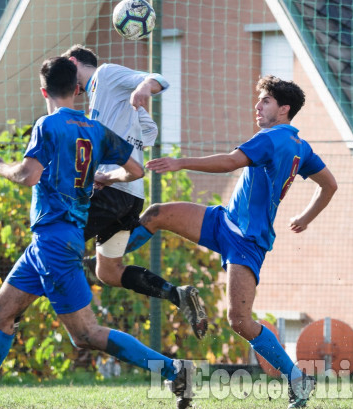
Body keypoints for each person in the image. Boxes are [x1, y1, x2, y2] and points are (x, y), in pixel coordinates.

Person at [0, 57, 194, 409]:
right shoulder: (95, 129)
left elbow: (27, 175)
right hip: (52, 239)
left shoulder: (48, 125)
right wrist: (106, 177)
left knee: (86, 334)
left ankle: (174, 370)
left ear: (44, 90)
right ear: (77, 89)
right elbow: (135, 170)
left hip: (55, 240)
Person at [0, 44, 207, 340]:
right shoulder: (98, 103)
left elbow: (158, 78)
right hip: (127, 192)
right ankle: (178, 295)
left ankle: (5, 315)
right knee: (108, 272)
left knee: (53, 247)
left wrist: (144, 86)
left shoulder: (104, 75)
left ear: (72, 61)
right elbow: (148, 133)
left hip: (114, 192)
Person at [123, 75, 338, 408]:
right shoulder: (300, 145)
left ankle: (297, 379)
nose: (257, 105)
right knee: (157, 214)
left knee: (239, 321)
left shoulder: (272, 138)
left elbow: (230, 161)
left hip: (247, 240)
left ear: (284, 109)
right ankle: (107, 257)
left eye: (265, 101)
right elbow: (330, 185)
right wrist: (306, 218)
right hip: (225, 221)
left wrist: (180, 162)